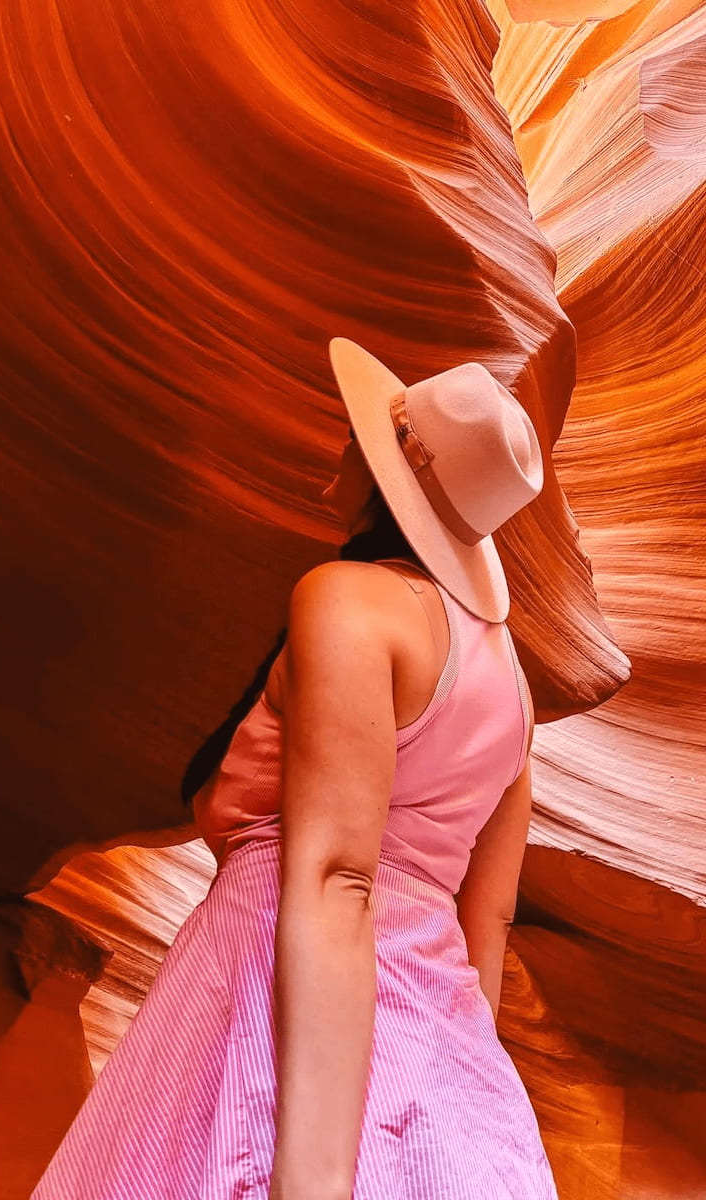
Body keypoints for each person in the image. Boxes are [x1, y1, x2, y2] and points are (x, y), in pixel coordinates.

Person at [29, 337, 559, 1199]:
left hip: (279, 1002)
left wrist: (312, 1177)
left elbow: (335, 876)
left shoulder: (349, 601)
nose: (344, 452)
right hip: (439, 1037)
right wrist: (446, 1086)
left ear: (394, 476)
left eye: (365, 440)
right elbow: (487, 918)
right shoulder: (516, 690)